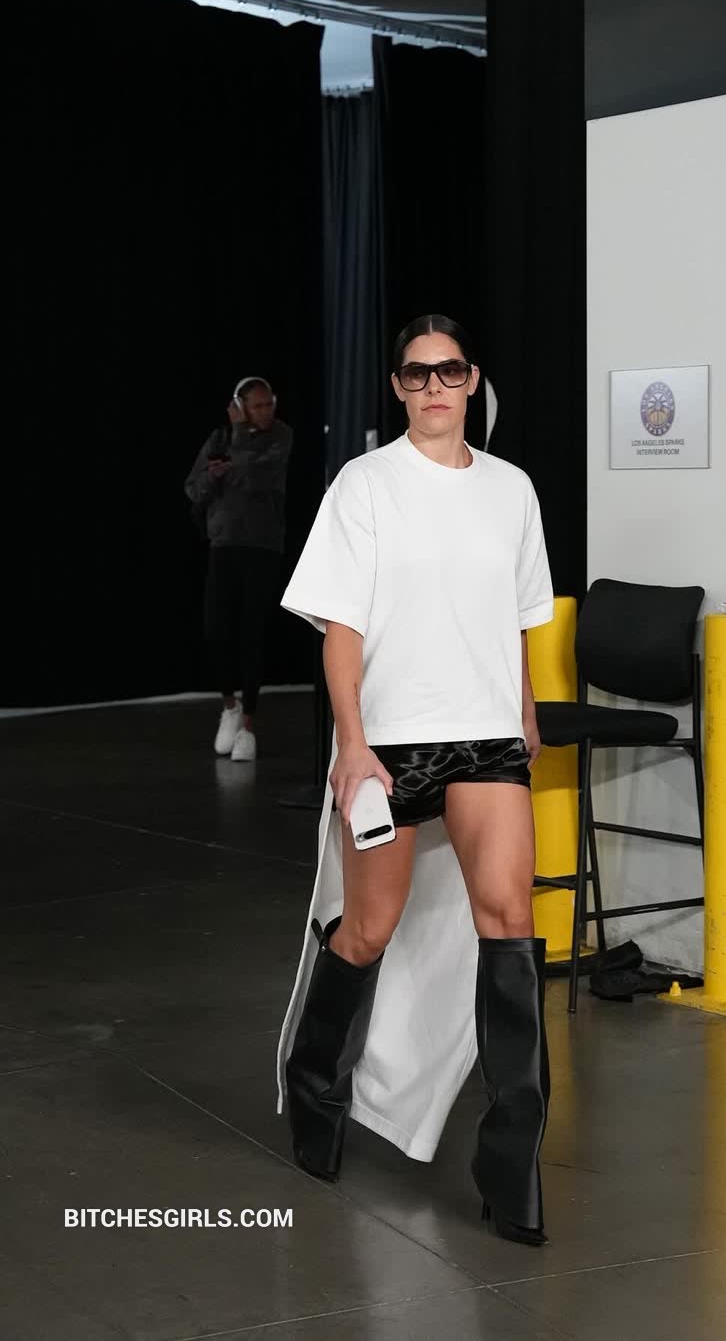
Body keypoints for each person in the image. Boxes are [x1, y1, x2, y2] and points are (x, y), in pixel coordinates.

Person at [279, 314, 554, 1247]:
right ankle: (315, 1088)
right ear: (398, 386)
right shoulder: (365, 485)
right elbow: (342, 628)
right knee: (369, 930)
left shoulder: (512, 490)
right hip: (392, 741)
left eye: (449, 370)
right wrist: (351, 744)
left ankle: (511, 1170)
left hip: (486, 737)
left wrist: (524, 710)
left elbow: (518, 615)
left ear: (472, 380)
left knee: (509, 920)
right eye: (416, 373)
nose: (434, 386)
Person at [184, 377, 292, 762]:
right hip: (224, 544)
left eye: (268, 403)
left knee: (251, 634)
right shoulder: (219, 438)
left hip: (262, 548)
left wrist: (241, 439)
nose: (266, 411)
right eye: (257, 406)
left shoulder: (280, 436)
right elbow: (193, 487)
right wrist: (213, 477)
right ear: (240, 406)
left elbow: (258, 477)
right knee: (216, 630)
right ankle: (229, 705)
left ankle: (247, 726)